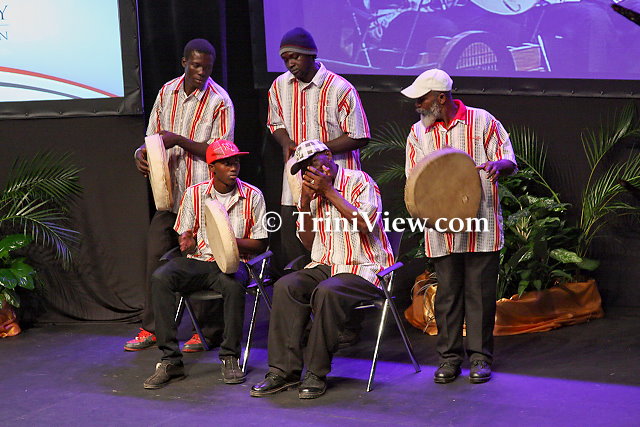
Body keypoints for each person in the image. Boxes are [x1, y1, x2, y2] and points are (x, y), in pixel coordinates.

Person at [250, 139, 394, 399]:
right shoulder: (310, 193)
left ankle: (316, 373)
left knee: (328, 291)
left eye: (314, 163)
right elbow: (308, 243)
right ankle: (283, 371)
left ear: (329, 155)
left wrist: (329, 191)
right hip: (326, 263)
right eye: (305, 167)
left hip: (364, 267)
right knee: (286, 286)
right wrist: (305, 205)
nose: (311, 171)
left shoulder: (359, 181)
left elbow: (365, 224)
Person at [402, 69, 517, 384]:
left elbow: (509, 159)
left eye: (422, 99)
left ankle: (480, 358)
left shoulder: (482, 121)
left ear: (441, 98)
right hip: (441, 228)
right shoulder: (418, 133)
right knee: (448, 296)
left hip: (481, 225)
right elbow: (414, 179)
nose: (417, 105)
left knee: (479, 295)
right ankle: (449, 359)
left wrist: (498, 165)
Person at [128, 39, 235, 353]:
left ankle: (206, 331)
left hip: (203, 201)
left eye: (207, 67)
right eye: (196, 65)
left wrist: (179, 140)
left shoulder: (219, 101)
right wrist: (140, 153)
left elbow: (220, 153)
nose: (202, 72)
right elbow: (152, 138)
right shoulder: (167, 92)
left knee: (204, 262)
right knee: (155, 262)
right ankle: (152, 327)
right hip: (170, 196)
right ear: (184, 62)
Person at [143, 140, 268, 389]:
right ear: (212, 168)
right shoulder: (194, 194)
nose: (233, 167)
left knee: (232, 284)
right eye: (226, 163)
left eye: (236, 162)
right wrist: (186, 241)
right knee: (161, 276)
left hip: (234, 263)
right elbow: (185, 235)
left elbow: (260, 244)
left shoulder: (253, 195)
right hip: (200, 261)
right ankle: (170, 360)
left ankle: (230, 356)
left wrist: (226, 240)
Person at [267, 27, 370, 268]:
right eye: (285, 59)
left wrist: (318, 150)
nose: (290, 63)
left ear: (311, 54)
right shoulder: (279, 86)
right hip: (296, 182)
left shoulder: (339, 88)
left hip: (336, 183)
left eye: (295, 57)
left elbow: (359, 135)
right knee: (295, 249)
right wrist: (286, 142)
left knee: (336, 250)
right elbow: (275, 123)